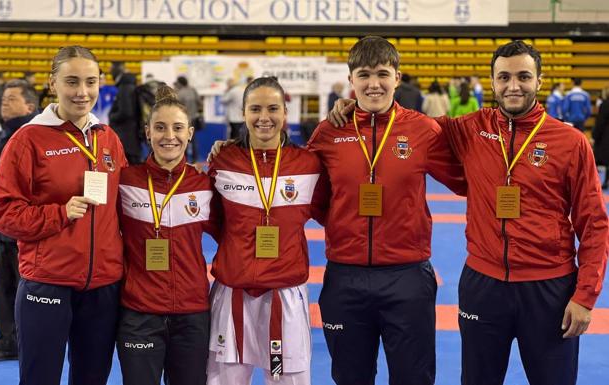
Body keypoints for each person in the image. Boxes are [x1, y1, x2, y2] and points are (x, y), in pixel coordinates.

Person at [328, 39, 607, 385]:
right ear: (492, 82)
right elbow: (402, 124)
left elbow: (594, 224)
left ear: (539, 80)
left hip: (549, 288)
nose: (513, 86)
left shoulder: (571, 142)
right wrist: (355, 106)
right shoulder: (470, 128)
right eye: (504, 77)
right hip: (483, 285)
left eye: (523, 76)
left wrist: (585, 296)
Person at [311, 36, 465, 385]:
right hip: (345, 277)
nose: (373, 84)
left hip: (407, 277)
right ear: (351, 80)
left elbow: (468, 180)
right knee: (350, 377)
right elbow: (307, 193)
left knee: (413, 378)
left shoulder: (423, 131)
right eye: (364, 74)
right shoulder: (329, 132)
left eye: (383, 73)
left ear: (398, 77)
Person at [0, 45, 127, 385]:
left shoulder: (107, 138)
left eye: (91, 82)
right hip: (48, 281)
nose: (82, 92)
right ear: (53, 84)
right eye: (72, 81)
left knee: (92, 378)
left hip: (103, 286)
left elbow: (124, 205)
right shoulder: (28, 140)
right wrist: (59, 214)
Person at [206, 76, 328, 385]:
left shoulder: (309, 165)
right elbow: (216, 221)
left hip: (285, 296)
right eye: (255, 108)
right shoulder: (223, 160)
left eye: (273, 108)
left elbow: (330, 212)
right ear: (243, 113)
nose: (264, 117)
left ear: (285, 113)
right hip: (232, 294)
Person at [116, 84, 218, 385]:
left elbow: (236, 233)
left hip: (192, 313)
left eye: (177, 128)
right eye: (160, 128)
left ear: (190, 133)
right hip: (139, 313)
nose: (169, 136)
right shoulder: (125, 182)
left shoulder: (204, 185)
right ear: (148, 132)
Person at [0, 79, 38, 362]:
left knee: (26, 294)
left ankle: (30, 344)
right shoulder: (5, 134)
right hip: (3, 229)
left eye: (11, 98)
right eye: (3, 98)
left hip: (23, 229)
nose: (4, 102)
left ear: (30, 105)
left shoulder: (33, 135)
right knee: (2, 289)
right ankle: (8, 343)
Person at [109, 61, 142, 164]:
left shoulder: (125, 87)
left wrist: (111, 116)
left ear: (118, 70)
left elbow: (126, 112)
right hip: (131, 136)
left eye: (112, 69)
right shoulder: (129, 85)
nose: (110, 71)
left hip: (126, 137)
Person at [174, 75, 204, 161]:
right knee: (193, 139)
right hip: (194, 118)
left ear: (179, 83)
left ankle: (184, 158)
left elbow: (176, 107)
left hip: (183, 119)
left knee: (183, 139)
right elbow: (199, 103)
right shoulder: (192, 90)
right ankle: (195, 158)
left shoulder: (180, 93)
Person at [593, 86, 609, 189]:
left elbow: (600, 122)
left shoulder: (605, 105)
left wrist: (595, 136)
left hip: (606, 135)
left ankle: (604, 181)